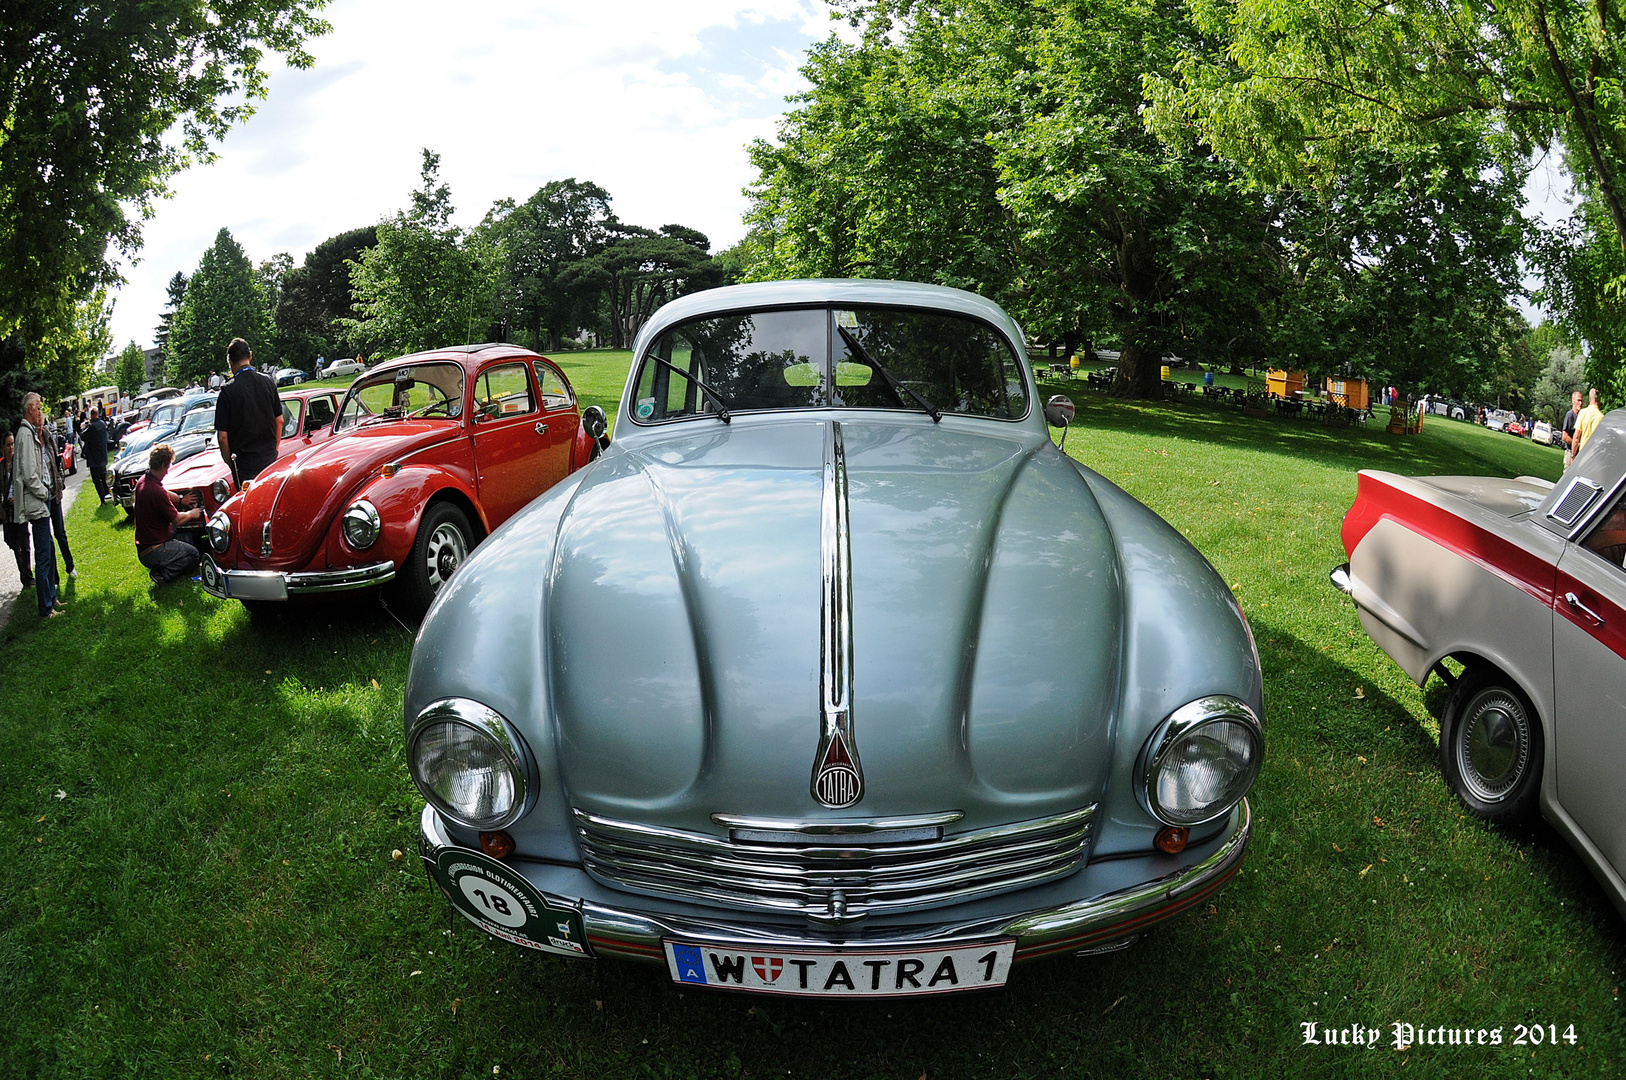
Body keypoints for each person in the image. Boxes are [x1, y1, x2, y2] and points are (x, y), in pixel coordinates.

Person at [15, 394, 63, 617]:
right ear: (31, 409)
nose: (41, 411)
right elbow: (29, 475)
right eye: (39, 407)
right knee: (44, 555)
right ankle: (45, 609)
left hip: (39, 502)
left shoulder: (28, 432)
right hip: (36, 502)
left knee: (49, 549)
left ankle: (51, 599)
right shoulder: (25, 434)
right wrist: (45, 493)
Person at [214, 337, 282, 489]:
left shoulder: (227, 391)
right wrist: (275, 449)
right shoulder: (268, 382)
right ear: (250, 356)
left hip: (244, 465)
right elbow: (280, 421)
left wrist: (231, 464)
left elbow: (222, 437)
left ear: (230, 361)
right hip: (269, 459)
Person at [134, 443, 203, 585]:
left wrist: (182, 500)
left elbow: (164, 492)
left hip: (145, 544)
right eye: (169, 465)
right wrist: (192, 513)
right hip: (153, 550)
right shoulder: (154, 492)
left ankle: (169, 558)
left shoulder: (144, 480)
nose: (168, 471)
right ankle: (163, 574)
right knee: (194, 555)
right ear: (164, 465)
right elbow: (177, 519)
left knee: (179, 537)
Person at [42, 417, 74, 580]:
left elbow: (58, 461)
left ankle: (70, 566)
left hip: (54, 494)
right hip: (42, 498)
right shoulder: (32, 446)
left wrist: (60, 481)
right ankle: (54, 577)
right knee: (47, 538)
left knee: (60, 532)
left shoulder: (48, 438)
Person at [2, 431, 32, 588]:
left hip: (19, 508)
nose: (11, 447)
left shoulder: (18, 463)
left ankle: (27, 577)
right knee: (13, 543)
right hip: (7, 512)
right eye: (8, 445)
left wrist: (18, 497)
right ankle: (24, 575)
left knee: (25, 544)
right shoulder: (1, 467)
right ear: (3, 447)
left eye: (12, 444)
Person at [82, 406, 110, 503]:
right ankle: (108, 495)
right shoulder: (102, 424)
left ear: (92, 415)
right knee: (104, 478)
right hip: (103, 456)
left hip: (94, 458)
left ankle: (103, 499)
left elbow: (83, 436)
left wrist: (86, 426)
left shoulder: (91, 427)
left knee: (97, 480)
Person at [1575, 388, 1605, 458]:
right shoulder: (1602, 417)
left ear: (1590, 398)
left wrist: (1573, 456)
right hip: (1594, 455)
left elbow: (1576, 436)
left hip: (1582, 453)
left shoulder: (1583, 412)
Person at [1562, 390, 1583, 468]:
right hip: (1570, 453)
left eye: (1582, 401)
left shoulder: (1581, 416)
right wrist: (1576, 444)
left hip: (1579, 455)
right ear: (1573, 400)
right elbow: (1564, 436)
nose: (1580, 403)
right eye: (1578, 400)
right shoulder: (1570, 415)